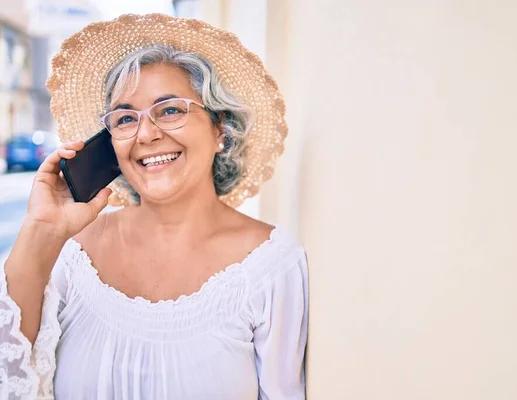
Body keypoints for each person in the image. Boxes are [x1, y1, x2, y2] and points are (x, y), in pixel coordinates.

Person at [0, 14, 308, 399]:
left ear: (220, 130)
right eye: (126, 118)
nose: (146, 134)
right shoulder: (72, 253)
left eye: (171, 110)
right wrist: (42, 228)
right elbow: (9, 377)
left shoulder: (271, 267)